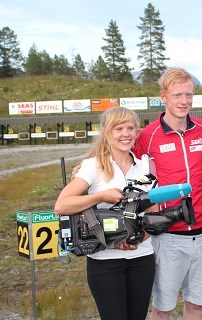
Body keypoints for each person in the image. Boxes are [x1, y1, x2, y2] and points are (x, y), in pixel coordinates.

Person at [54, 107, 155, 320]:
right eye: (118, 128)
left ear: (138, 132)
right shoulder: (93, 166)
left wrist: (141, 236)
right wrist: (100, 197)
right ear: (106, 133)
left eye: (130, 128)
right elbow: (62, 205)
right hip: (105, 261)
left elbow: (153, 209)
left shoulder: (145, 165)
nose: (125, 134)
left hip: (142, 257)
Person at [132, 67, 202, 320]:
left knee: (196, 306)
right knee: (162, 308)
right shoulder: (148, 135)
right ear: (163, 97)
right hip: (166, 235)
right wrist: (86, 166)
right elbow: (120, 161)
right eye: (177, 95)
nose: (184, 101)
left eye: (188, 95)